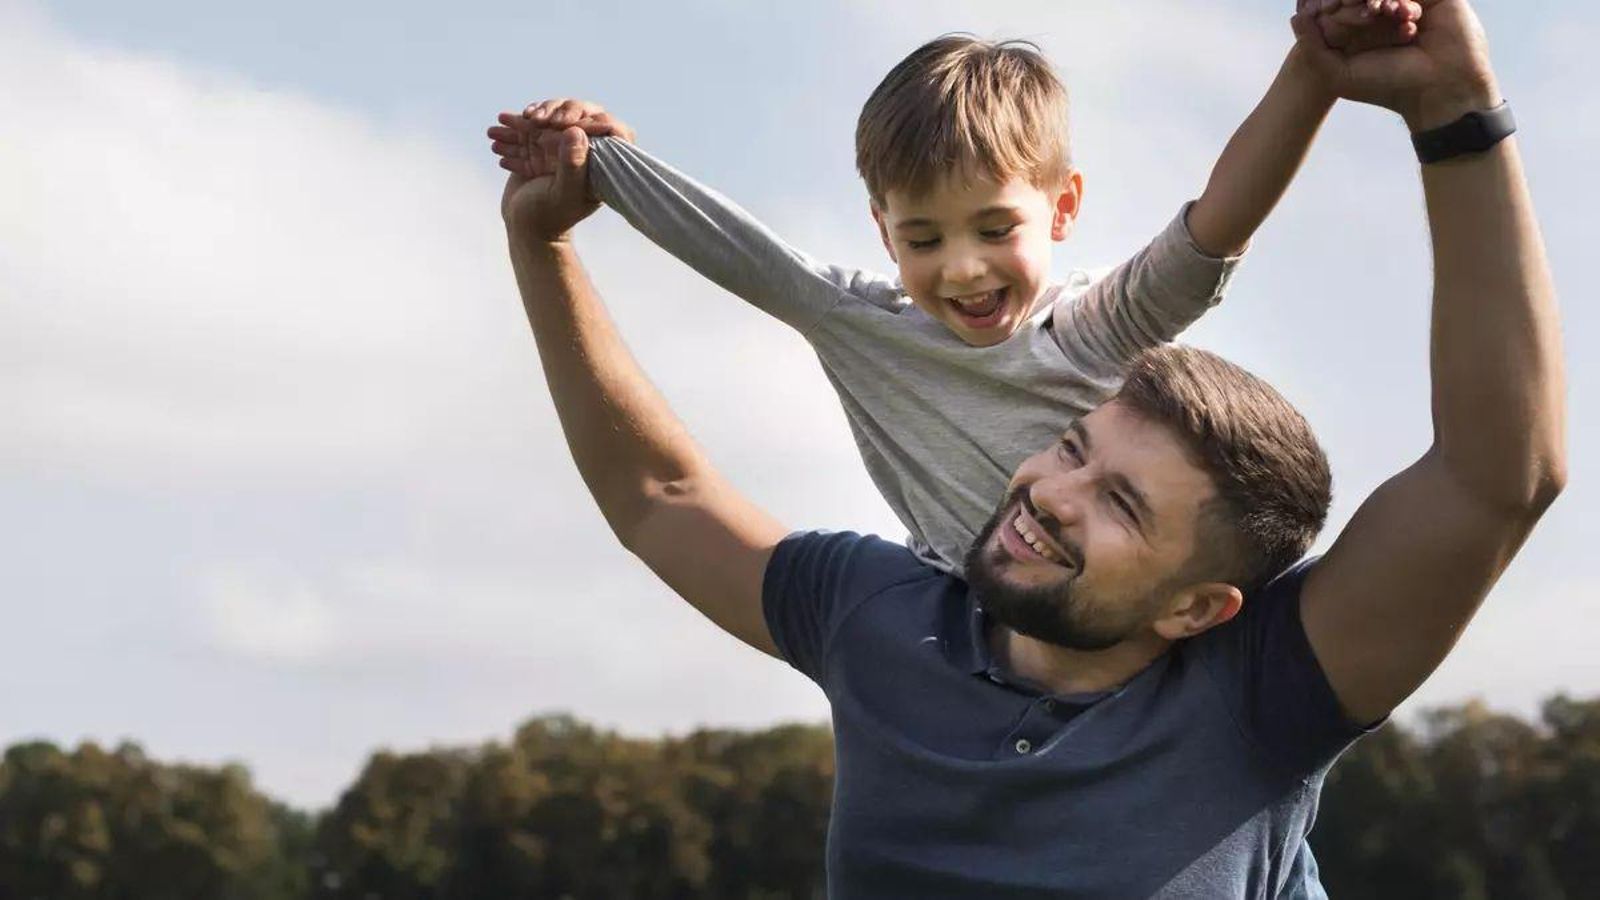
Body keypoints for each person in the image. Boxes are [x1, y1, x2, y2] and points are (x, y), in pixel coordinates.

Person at [498, 0, 1563, 893]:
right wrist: (541, 241)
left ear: (1199, 605)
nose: (1054, 494)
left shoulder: (1262, 695)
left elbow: (1495, 477)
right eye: (1068, 445)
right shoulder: (878, 621)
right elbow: (657, 493)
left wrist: (1453, 111)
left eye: (1125, 506)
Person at [488, 2, 1421, 576]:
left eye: (995, 228)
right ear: (882, 232)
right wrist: (599, 161)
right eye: (923, 238)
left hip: (1146, 629)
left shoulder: (1091, 332)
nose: (963, 269)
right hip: (968, 620)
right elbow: (738, 249)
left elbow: (1217, 223)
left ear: (1062, 209)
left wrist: (1315, 68)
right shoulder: (861, 324)